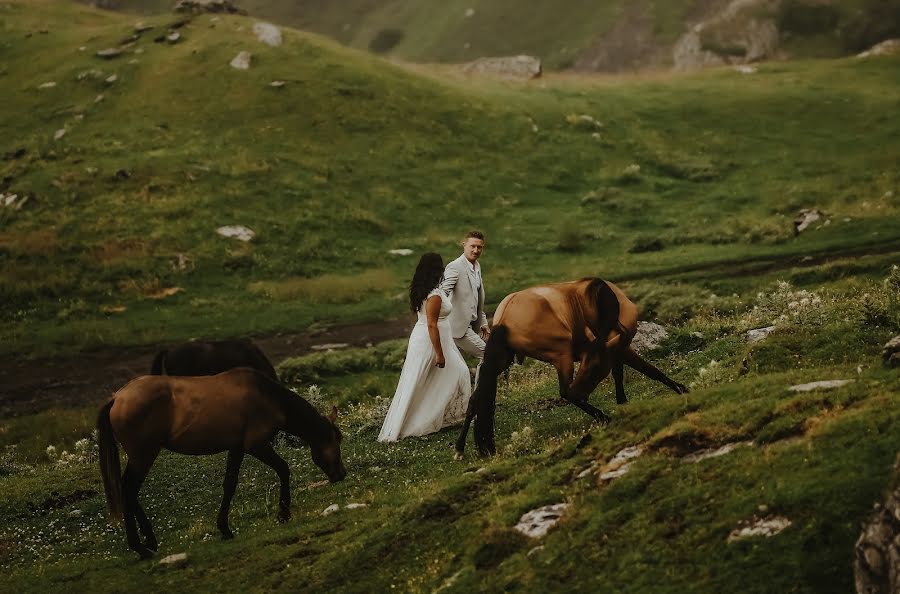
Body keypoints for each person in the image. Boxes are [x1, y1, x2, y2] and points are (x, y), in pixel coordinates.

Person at [378, 253, 471, 442]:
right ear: (436, 270)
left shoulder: (427, 291)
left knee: (442, 377)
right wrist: (439, 354)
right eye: (441, 267)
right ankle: (419, 421)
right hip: (430, 341)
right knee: (430, 378)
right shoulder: (434, 295)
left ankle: (446, 415)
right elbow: (431, 324)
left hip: (432, 339)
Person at [441, 231, 490, 381]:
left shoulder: (477, 266)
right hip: (456, 327)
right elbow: (442, 293)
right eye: (473, 246)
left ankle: (468, 397)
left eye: (479, 247)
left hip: (470, 325)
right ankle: (480, 397)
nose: (476, 250)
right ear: (464, 245)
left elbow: (475, 298)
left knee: (452, 369)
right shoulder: (455, 266)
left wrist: (483, 322)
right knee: (488, 354)